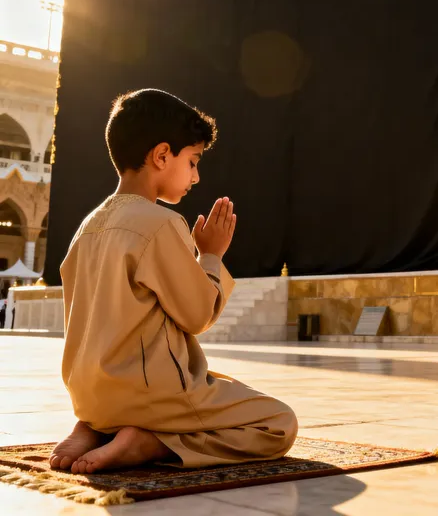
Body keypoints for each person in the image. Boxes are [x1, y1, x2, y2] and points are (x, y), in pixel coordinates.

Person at [49, 89, 297, 474]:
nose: (196, 176)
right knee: (278, 423)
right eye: (193, 161)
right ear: (162, 155)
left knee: (220, 386)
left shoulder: (88, 227)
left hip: (88, 394)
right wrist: (210, 255)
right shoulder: (161, 223)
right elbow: (197, 315)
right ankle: (151, 443)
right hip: (151, 396)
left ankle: (96, 429)